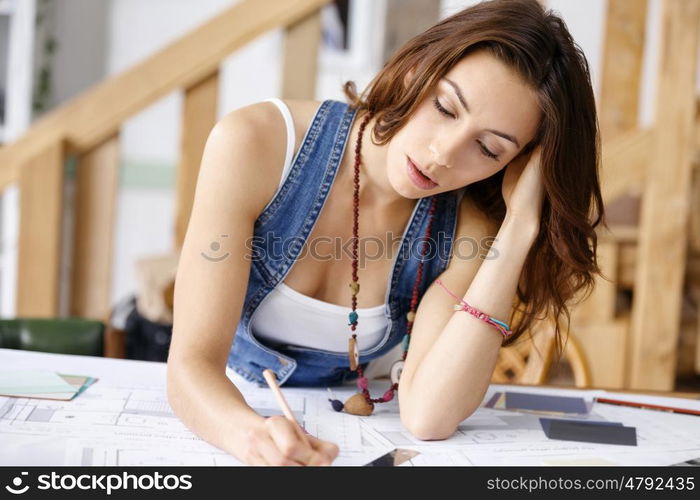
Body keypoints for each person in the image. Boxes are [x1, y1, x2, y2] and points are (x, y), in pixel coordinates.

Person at [166, 0, 605, 466]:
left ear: (512, 165)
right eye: (444, 107)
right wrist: (252, 437)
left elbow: (429, 416)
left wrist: (519, 228)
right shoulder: (257, 142)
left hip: (347, 432)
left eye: (487, 148)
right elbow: (190, 367)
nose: (442, 154)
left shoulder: (465, 227)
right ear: (417, 67)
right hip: (219, 422)